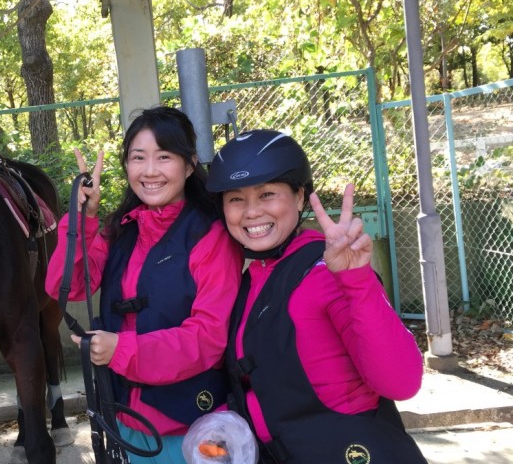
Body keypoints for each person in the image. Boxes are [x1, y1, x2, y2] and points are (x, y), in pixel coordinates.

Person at [206, 129, 427, 463]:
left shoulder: (325, 271)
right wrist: (223, 426)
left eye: (267, 194)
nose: (250, 211)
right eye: (236, 199)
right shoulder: (255, 278)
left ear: (299, 197)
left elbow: (401, 382)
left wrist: (357, 281)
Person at [45, 106, 243, 463]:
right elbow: (67, 286)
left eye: (164, 156)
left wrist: (121, 350)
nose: (150, 171)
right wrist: (82, 218)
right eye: (138, 158)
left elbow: (209, 336)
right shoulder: (122, 227)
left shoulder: (211, 236)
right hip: (122, 415)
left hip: (189, 426)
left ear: (189, 164)